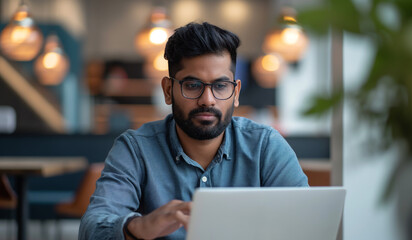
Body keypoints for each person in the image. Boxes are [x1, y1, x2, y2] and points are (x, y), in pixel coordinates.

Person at [79, 22, 308, 240]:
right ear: (168, 90)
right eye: (192, 85)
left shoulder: (265, 146)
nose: (207, 100)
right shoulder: (136, 149)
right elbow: (92, 228)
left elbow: (306, 222)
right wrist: (140, 227)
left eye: (220, 86)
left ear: (236, 93)